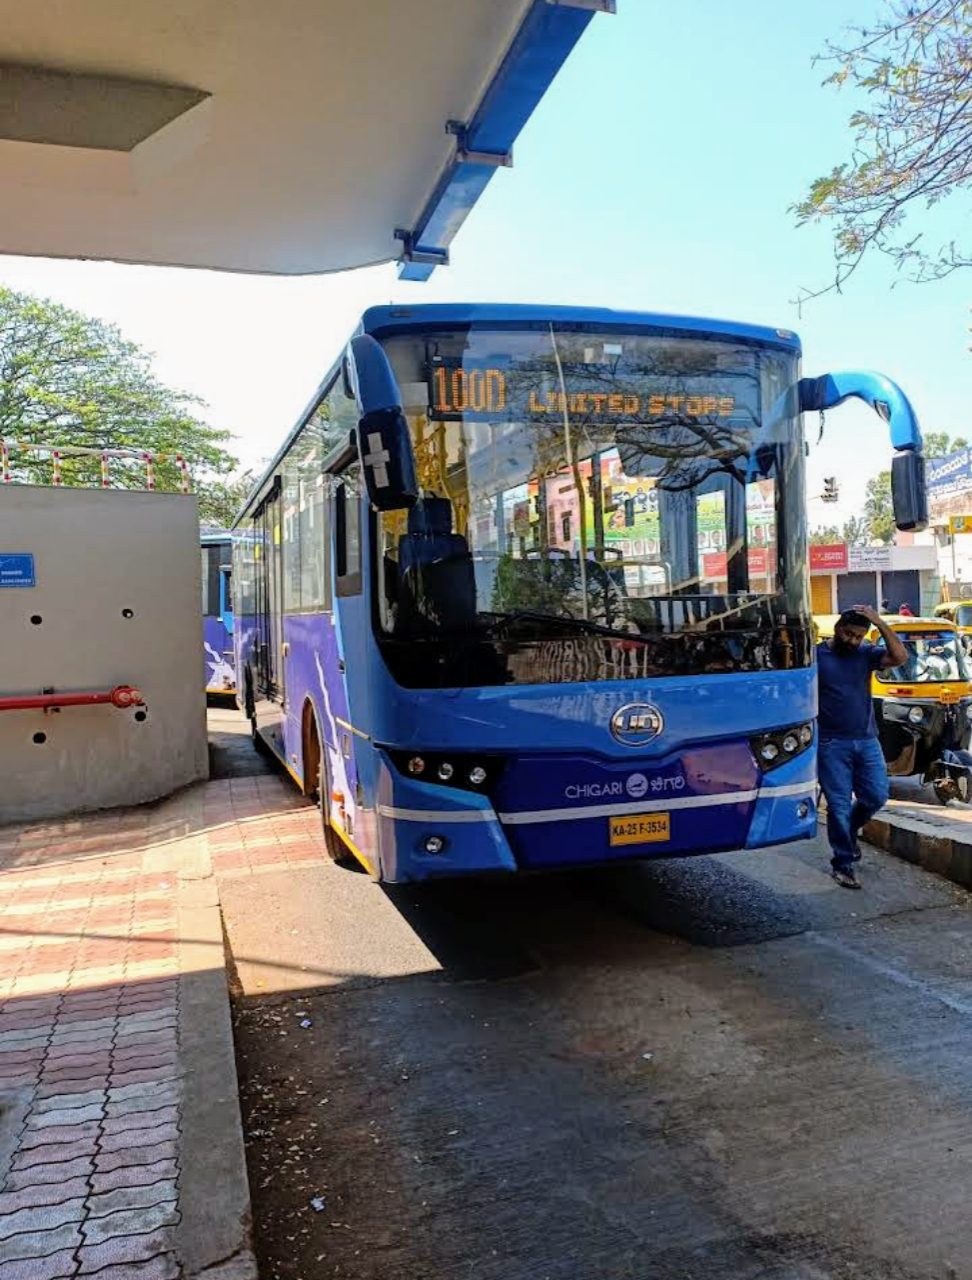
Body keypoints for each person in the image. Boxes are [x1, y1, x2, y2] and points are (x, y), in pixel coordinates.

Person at [817, 605, 908, 889]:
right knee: (839, 807)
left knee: (876, 796)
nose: (852, 641)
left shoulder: (865, 654)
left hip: (867, 740)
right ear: (837, 628)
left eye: (858, 636)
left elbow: (900, 656)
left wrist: (878, 622)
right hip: (831, 743)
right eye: (848, 634)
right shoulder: (817, 656)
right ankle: (843, 863)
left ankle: (851, 831)